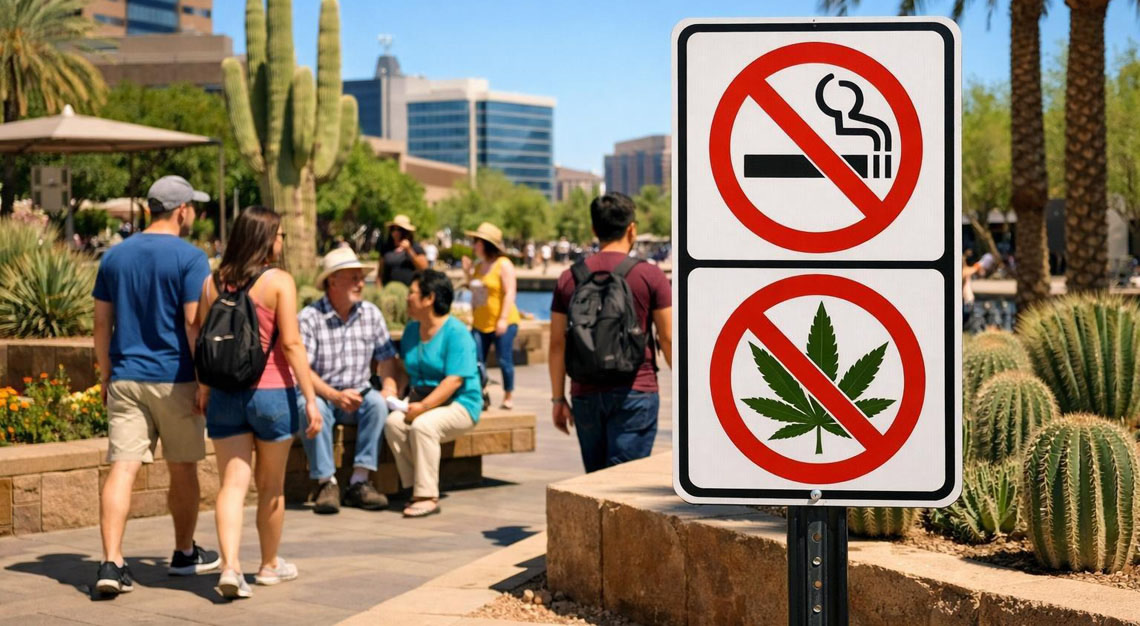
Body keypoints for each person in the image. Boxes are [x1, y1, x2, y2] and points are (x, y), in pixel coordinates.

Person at [92, 175, 220, 596]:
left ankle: (111, 562)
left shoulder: (114, 257)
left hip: (126, 376)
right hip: (176, 378)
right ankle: (184, 553)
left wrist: (106, 371)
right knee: (183, 468)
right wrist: (204, 381)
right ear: (181, 210)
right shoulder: (191, 257)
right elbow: (192, 323)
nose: (195, 215)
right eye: (193, 208)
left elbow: (101, 322)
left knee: (122, 468)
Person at [196, 206, 323, 599]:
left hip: (225, 395)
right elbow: (291, 344)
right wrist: (311, 399)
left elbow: (202, 339)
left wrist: (203, 388)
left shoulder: (211, 283)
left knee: (232, 485)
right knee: (271, 487)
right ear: (266, 238)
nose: (282, 241)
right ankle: (268, 566)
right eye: (280, 235)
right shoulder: (279, 281)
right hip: (272, 396)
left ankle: (231, 567)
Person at [549, 192, 673, 473]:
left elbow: (557, 343)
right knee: (626, 483)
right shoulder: (650, 276)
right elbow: (667, 339)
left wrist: (558, 399)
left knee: (596, 481)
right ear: (632, 229)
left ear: (594, 229)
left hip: (585, 392)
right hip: (636, 390)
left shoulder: (569, 278)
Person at [298, 247, 402, 514]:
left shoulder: (371, 313)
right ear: (332, 281)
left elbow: (387, 358)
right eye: (353, 277)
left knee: (377, 404)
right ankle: (326, 483)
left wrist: (389, 387)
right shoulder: (310, 318)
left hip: (360, 392)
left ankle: (359, 481)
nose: (360, 283)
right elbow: (303, 370)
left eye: (361, 277)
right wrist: (333, 395)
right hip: (323, 393)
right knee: (311, 408)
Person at [384, 270, 483, 517]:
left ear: (429, 298)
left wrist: (423, 408)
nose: (407, 298)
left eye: (412, 293)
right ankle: (413, 487)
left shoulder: (457, 333)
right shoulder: (411, 331)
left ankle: (427, 495)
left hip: (460, 403)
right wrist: (394, 394)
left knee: (423, 426)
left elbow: (454, 381)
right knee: (393, 423)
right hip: (421, 400)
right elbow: (407, 369)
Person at [461, 222, 521, 410]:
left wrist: (502, 319)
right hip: (480, 322)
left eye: (477, 241)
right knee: (477, 360)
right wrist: (467, 272)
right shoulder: (479, 267)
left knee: (504, 360)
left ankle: (508, 394)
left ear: (487, 243)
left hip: (503, 321)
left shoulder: (504, 264)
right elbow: (474, 289)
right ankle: (481, 394)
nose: (474, 245)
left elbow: (510, 292)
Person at [379, 214, 428, 286]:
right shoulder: (386, 248)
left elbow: (424, 268)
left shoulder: (415, 247)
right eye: (393, 229)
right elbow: (380, 273)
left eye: (399, 229)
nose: (396, 232)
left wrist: (409, 250)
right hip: (388, 291)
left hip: (408, 291)